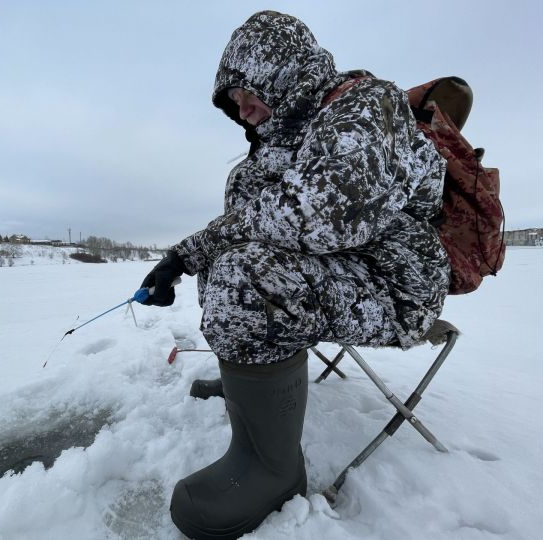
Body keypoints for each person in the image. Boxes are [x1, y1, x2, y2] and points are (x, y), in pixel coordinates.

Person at [140, 10, 450, 540]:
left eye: (246, 93)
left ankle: (274, 471)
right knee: (234, 247)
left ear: (279, 70)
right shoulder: (283, 140)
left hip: (394, 287)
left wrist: (201, 248)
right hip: (340, 272)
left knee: (249, 275)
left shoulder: (367, 107)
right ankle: (250, 379)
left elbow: (316, 214)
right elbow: (256, 216)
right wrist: (184, 257)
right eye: (234, 104)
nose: (244, 110)